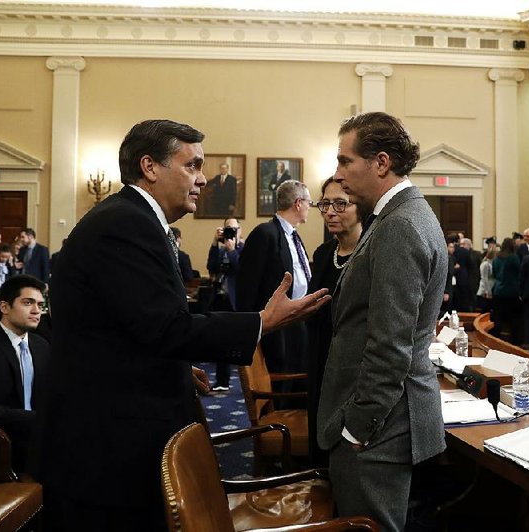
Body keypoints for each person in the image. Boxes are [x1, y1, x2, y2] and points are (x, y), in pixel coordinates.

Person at [42, 119, 330, 531]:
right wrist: (261, 323)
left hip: (119, 427)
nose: (204, 177)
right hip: (106, 446)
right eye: (193, 165)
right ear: (150, 167)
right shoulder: (125, 223)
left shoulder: (135, 219)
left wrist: (174, 366)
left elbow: (129, 325)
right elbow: (166, 327)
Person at [317, 112, 447, 531]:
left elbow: (391, 345)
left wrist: (357, 429)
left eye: (344, 161)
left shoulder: (400, 225)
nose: (338, 173)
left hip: (378, 430)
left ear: (381, 163)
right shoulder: (399, 217)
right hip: (383, 422)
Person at [307, 176, 362, 466]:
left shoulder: (370, 254)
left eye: (341, 204)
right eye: (325, 204)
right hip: (320, 354)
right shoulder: (323, 253)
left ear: (361, 208)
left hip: (352, 366)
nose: (330, 211)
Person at [238, 180, 313, 379]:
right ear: (298, 203)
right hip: (275, 331)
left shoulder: (295, 237)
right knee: (279, 383)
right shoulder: (264, 234)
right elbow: (247, 288)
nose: (309, 208)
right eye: (309, 203)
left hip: (297, 325)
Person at [0, 275, 49, 473]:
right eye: (28, 303)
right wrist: (29, 418)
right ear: (4, 307)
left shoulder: (42, 346)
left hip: (38, 445)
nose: (36, 311)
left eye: (40, 305)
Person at [206, 217, 244, 392]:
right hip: (220, 301)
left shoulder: (244, 250)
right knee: (221, 343)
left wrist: (232, 251)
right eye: (227, 229)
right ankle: (222, 381)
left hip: (236, 303)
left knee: (239, 345)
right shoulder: (220, 251)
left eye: (233, 229)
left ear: (240, 231)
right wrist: (215, 243)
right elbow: (211, 267)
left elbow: (242, 271)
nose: (230, 232)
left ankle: (250, 383)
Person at [491, 237, 521, 344]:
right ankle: (515, 342)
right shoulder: (514, 258)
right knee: (514, 318)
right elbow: (519, 273)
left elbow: (494, 273)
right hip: (511, 291)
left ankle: (496, 340)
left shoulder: (496, 258)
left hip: (498, 290)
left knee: (498, 317)